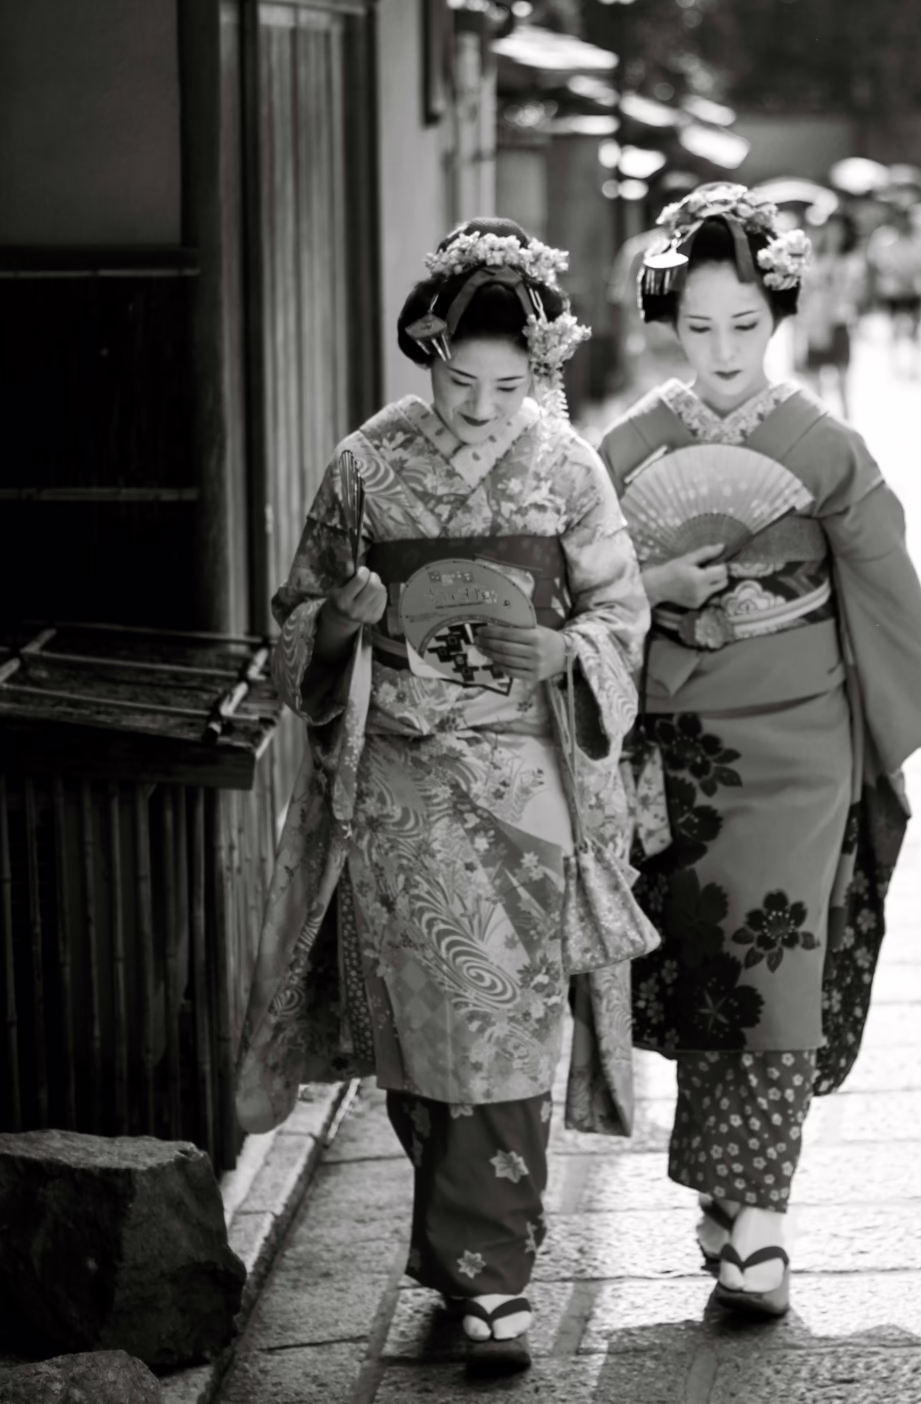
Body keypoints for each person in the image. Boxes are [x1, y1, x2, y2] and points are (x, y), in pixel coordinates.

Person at [234, 218, 651, 1372]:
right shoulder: (365, 465)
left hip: (523, 778)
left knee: (506, 1024)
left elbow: (622, 610)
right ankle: (462, 1260)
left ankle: (496, 1281)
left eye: (508, 385)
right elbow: (293, 620)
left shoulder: (568, 465)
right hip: (403, 779)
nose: (479, 407)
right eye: (459, 381)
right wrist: (345, 619)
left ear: (541, 372)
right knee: (426, 1037)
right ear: (425, 350)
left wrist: (566, 654)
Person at [598, 183, 921, 1320]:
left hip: (804, 736)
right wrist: (651, 583)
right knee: (707, 966)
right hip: (682, 739)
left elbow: (886, 585)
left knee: (781, 965)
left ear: (782, 314)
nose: (722, 353)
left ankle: (761, 1219)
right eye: (700, 326)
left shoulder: (823, 444)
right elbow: (582, 584)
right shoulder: (629, 444)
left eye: (746, 326)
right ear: (672, 320)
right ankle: (728, 1193)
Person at [796, 209, 867, 418]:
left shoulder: (852, 261)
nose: (835, 234)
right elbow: (804, 293)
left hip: (838, 323)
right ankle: (822, 424)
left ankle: (846, 425)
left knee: (842, 382)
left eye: (839, 230)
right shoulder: (812, 259)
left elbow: (853, 294)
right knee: (816, 384)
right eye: (831, 228)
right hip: (815, 324)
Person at [866, 202, 921, 375]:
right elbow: (877, 263)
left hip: (914, 289)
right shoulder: (884, 239)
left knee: (915, 330)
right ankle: (895, 364)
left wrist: (909, 276)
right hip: (893, 290)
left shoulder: (920, 239)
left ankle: (914, 366)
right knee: (893, 328)